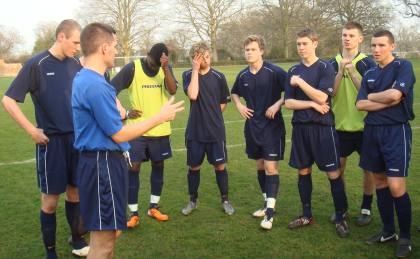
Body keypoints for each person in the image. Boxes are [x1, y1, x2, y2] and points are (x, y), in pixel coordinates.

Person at [72, 22, 184, 258]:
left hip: (101, 164)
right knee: (104, 243)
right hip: (103, 165)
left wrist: (122, 113)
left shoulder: (91, 80)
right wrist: (159, 117)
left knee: (109, 236)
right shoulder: (94, 84)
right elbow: (119, 134)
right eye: (113, 46)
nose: (116, 51)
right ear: (103, 48)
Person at [2, 19, 89, 258]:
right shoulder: (36, 65)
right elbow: (8, 101)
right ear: (61, 37)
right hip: (51, 144)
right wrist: (31, 130)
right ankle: (51, 252)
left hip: (77, 141)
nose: (77, 47)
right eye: (74, 42)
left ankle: (78, 240)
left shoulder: (76, 65)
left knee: (76, 193)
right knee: (50, 201)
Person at [356, 29, 415, 258]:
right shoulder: (370, 72)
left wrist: (374, 97)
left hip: (395, 132)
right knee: (379, 181)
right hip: (372, 132)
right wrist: (380, 98)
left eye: (381, 45)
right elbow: (360, 104)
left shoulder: (403, 67)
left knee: (396, 186)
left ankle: (406, 237)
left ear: (392, 45)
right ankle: (388, 231)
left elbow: (395, 96)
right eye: (373, 46)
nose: (376, 50)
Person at [284, 29, 349, 238]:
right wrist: (311, 102)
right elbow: (289, 102)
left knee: (333, 173)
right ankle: (307, 214)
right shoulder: (293, 69)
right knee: (303, 172)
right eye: (298, 44)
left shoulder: (326, 68)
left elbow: (323, 98)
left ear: (315, 43)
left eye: (304, 43)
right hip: (301, 129)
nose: (301, 47)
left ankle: (341, 217)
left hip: (323, 129)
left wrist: (301, 83)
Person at [110, 43, 178, 227]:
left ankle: (154, 207)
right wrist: (124, 111)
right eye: (153, 63)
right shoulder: (133, 67)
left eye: (158, 65)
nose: (153, 67)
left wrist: (165, 69)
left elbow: (172, 90)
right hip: (137, 130)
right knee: (133, 168)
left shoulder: (165, 68)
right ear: (147, 55)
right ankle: (133, 213)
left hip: (160, 129)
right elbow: (109, 89)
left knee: (158, 165)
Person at [231, 35, 287, 230]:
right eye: (247, 49)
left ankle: (270, 215)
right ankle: (266, 204)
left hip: (272, 128)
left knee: (271, 168)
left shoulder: (275, 71)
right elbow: (234, 92)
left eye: (253, 49)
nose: (249, 52)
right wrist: (239, 105)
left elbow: (291, 92)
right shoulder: (243, 75)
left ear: (262, 51)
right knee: (260, 165)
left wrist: (278, 104)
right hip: (252, 128)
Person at [329, 21, 376, 226]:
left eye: (351, 35)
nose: (346, 38)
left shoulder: (368, 63)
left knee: (369, 169)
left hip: (366, 127)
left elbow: (371, 94)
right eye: (344, 35)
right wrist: (340, 71)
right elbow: (330, 92)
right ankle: (342, 207)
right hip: (339, 126)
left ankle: (366, 208)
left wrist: (354, 71)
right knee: (337, 169)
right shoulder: (332, 63)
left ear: (360, 39)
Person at [181, 42, 234, 216]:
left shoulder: (219, 77)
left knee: (219, 166)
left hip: (215, 131)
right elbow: (193, 95)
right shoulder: (188, 75)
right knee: (194, 167)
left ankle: (225, 200)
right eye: (202, 57)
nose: (207, 59)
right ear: (194, 58)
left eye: (208, 56)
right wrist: (195, 70)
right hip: (195, 132)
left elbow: (223, 102)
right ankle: (192, 201)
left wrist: (212, 116)